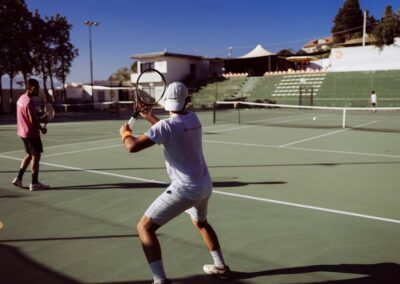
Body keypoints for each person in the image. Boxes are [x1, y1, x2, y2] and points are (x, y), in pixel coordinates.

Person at [119, 82, 230, 284]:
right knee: (201, 223)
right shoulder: (193, 119)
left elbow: (132, 147)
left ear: (166, 102)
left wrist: (125, 133)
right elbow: (169, 130)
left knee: (144, 227)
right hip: (204, 185)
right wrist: (148, 117)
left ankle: (160, 280)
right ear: (187, 101)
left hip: (185, 189)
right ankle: (221, 266)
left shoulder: (167, 126)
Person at [12, 78, 50, 191]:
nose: (38, 90)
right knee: (36, 156)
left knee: (29, 155)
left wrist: (41, 118)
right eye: (36, 88)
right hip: (31, 134)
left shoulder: (21, 99)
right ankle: (34, 183)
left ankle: (18, 179)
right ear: (30, 88)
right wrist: (42, 129)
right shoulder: (29, 102)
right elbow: (32, 120)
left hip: (22, 132)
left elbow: (28, 117)